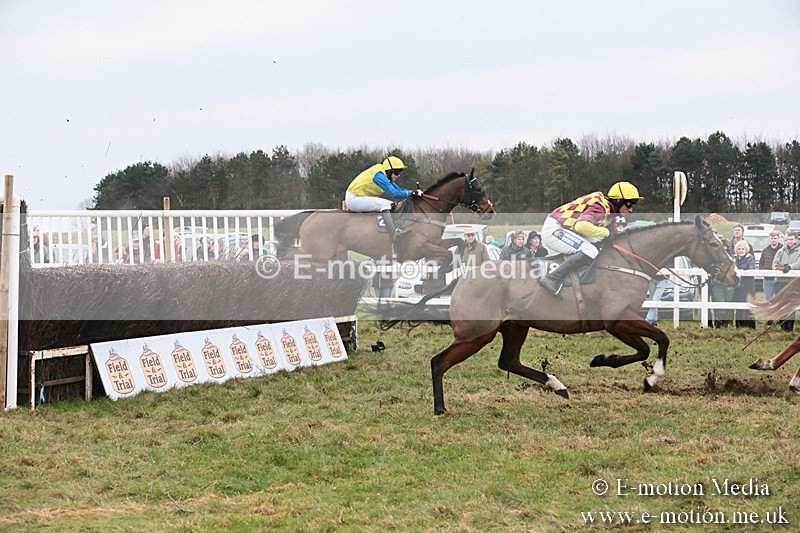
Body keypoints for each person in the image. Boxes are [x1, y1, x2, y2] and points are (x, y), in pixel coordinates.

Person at [538, 181, 642, 298]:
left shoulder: (610, 212)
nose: (631, 210)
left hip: (566, 228)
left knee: (601, 241)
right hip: (555, 229)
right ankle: (551, 278)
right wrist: (606, 233)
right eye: (629, 204)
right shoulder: (600, 207)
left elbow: (615, 236)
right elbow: (581, 226)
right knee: (591, 250)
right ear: (618, 200)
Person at [344, 156, 422, 243]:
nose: (398, 175)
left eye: (399, 172)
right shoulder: (379, 175)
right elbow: (394, 193)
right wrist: (412, 193)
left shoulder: (384, 175)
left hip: (361, 198)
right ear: (389, 171)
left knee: (391, 204)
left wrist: (413, 192)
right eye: (396, 172)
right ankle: (394, 234)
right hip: (354, 199)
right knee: (386, 205)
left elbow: (399, 190)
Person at [772, 231, 800, 331]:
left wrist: (789, 267)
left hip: (793, 282)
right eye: (788, 239)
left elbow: (798, 263)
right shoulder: (781, 251)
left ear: (796, 239)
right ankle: (782, 327)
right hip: (780, 281)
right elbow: (774, 264)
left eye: (792, 239)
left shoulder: (799, 251)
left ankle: (790, 327)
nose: (789, 241)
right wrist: (782, 267)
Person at [732, 240, 756, 329]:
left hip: (748, 287)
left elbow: (751, 269)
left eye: (742, 249)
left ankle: (750, 327)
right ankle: (739, 326)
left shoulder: (750, 259)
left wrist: (741, 271)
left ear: (746, 250)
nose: (741, 250)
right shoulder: (735, 259)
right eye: (739, 249)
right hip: (738, 287)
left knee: (749, 308)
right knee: (738, 308)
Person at [760, 231, 783, 300]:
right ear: (769, 239)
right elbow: (761, 263)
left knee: (779, 299)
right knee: (768, 300)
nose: (773, 240)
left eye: (775, 238)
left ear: (778, 238)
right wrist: (764, 271)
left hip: (780, 279)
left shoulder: (783, 250)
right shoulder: (765, 250)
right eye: (772, 238)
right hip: (768, 279)